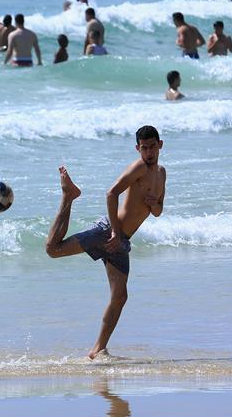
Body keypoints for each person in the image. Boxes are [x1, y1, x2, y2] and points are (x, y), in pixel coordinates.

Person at [44, 125, 166, 359]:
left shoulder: (161, 173)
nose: (149, 152)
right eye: (144, 148)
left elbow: (159, 211)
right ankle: (68, 196)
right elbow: (111, 193)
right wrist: (115, 233)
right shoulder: (138, 167)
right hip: (109, 232)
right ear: (137, 149)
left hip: (121, 241)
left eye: (152, 147)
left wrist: (154, 203)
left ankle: (98, 349)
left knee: (120, 296)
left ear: (160, 145)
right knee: (52, 250)